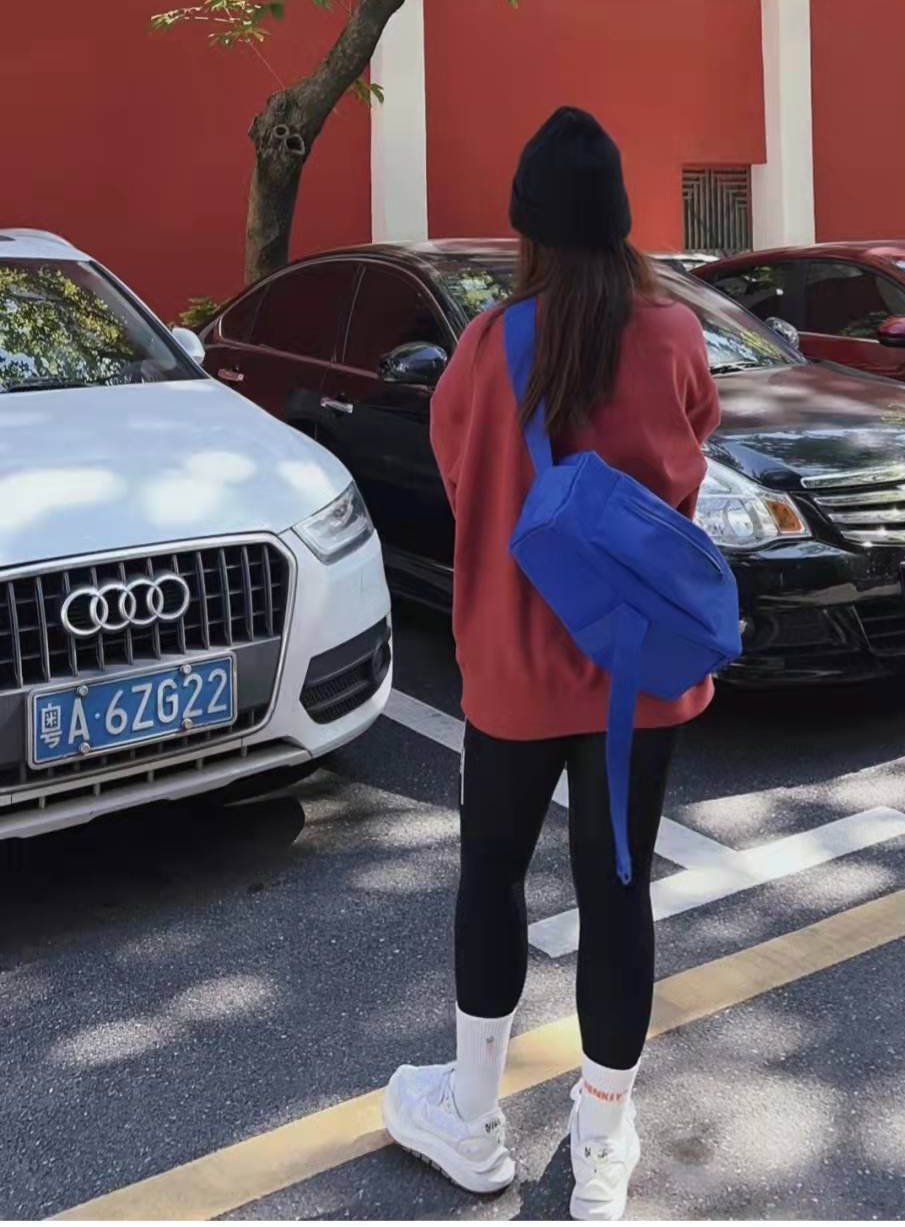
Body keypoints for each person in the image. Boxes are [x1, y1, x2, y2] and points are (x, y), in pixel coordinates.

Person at [382, 107, 721, 1221]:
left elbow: (458, 474)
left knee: (492, 874)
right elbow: (689, 463)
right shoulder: (672, 333)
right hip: (636, 670)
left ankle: (471, 1116)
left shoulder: (488, 346)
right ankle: (603, 1141)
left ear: (525, 229)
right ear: (620, 221)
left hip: (515, 665)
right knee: (617, 890)